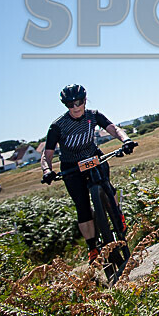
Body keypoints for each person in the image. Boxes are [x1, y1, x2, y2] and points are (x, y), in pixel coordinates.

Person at [40, 84, 137, 262]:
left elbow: (113, 128)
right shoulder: (57, 126)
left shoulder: (93, 115)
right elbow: (47, 155)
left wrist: (126, 140)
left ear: (85, 100)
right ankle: (92, 247)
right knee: (82, 206)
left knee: (109, 188)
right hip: (72, 167)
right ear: (65, 105)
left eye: (79, 102)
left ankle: (118, 216)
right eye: (70, 104)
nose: (76, 107)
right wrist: (47, 170)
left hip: (93, 157)